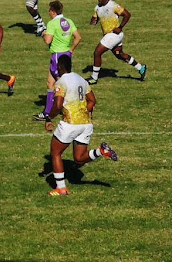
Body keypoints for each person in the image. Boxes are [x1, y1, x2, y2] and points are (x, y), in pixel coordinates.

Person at [44, 56, 118, 197]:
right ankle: (100, 151)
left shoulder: (61, 82)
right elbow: (92, 100)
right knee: (79, 158)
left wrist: (49, 117)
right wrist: (84, 111)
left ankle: (61, 188)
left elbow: (58, 105)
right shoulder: (81, 80)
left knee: (55, 153)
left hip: (70, 124)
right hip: (86, 124)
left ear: (60, 67)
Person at [88, 0, 147, 85]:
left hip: (113, 35)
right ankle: (141, 68)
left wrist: (120, 27)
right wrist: (93, 21)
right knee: (119, 54)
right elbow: (94, 19)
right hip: (109, 35)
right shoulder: (97, 7)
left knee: (97, 52)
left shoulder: (114, 6)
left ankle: (94, 78)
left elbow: (127, 15)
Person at [35, 1, 82, 121]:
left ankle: (71, 107)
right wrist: (71, 49)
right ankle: (47, 111)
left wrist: (43, 34)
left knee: (61, 84)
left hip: (56, 55)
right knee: (50, 83)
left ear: (53, 12)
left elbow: (47, 41)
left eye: (49, 10)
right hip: (66, 54)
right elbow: (78, 37)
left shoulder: (52, 23)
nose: (48, 12)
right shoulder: (68, 21)